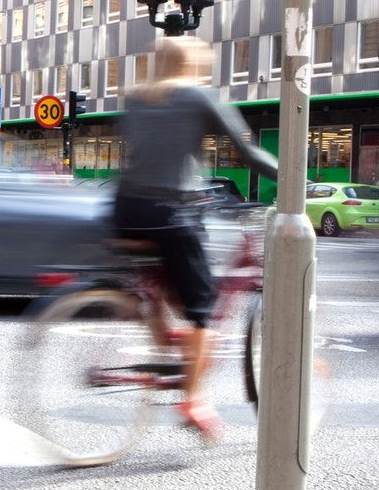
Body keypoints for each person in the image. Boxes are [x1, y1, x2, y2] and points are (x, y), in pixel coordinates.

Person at [114, 36, 279, 443]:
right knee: (202, 311)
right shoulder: (198, 97)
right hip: (170, 213)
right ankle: (192, 400)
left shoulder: (135, 98)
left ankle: (166, 346)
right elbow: (248, 152)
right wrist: (294, 177)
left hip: (125, 210)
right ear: (194, 65)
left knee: (163, 287)